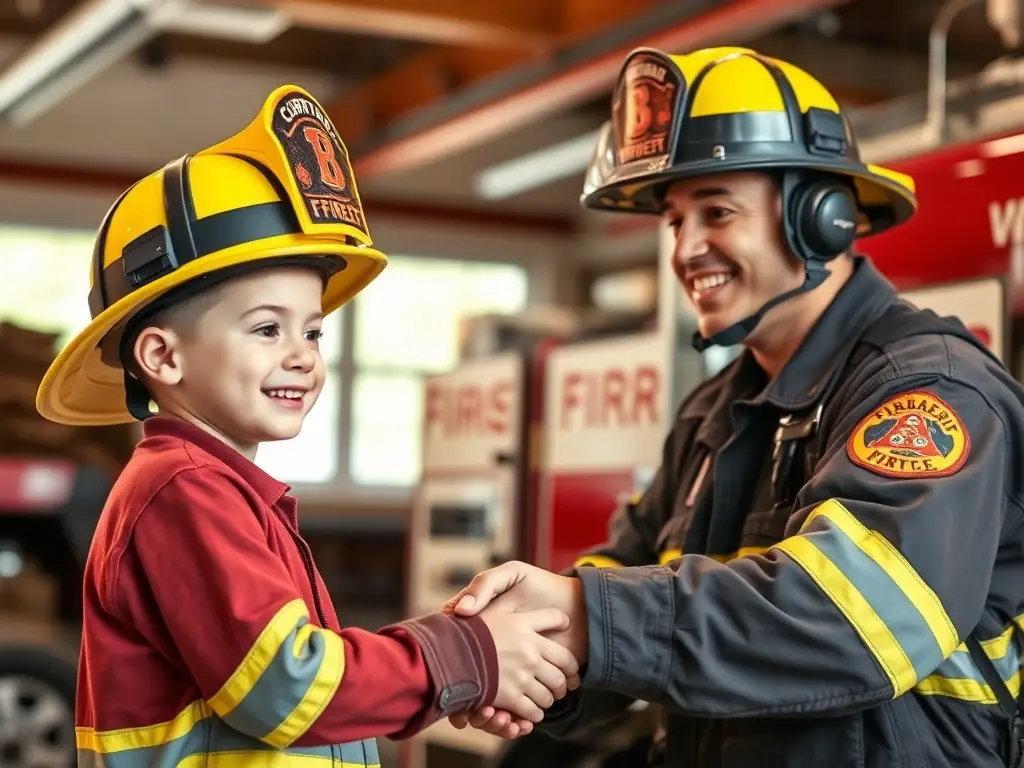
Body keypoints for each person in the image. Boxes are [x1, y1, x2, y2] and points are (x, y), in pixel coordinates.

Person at [447, 46, 1024, 768]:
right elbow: (623, 576)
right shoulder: (713, 415)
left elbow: (850, 619)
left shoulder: (929, 392)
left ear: (824, 220)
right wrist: (532, 660)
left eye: (716, 211)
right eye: (673, 220)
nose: (686, 249)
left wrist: (585, 616)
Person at [34, 85, 579, 767]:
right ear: (162, 355)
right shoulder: (183, 492)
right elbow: (285, 688)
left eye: (313, 332)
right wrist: (465, 653)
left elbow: (311, 682)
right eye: (267, 328)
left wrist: (459, 678)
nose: (301, 355)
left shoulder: (223, 492)